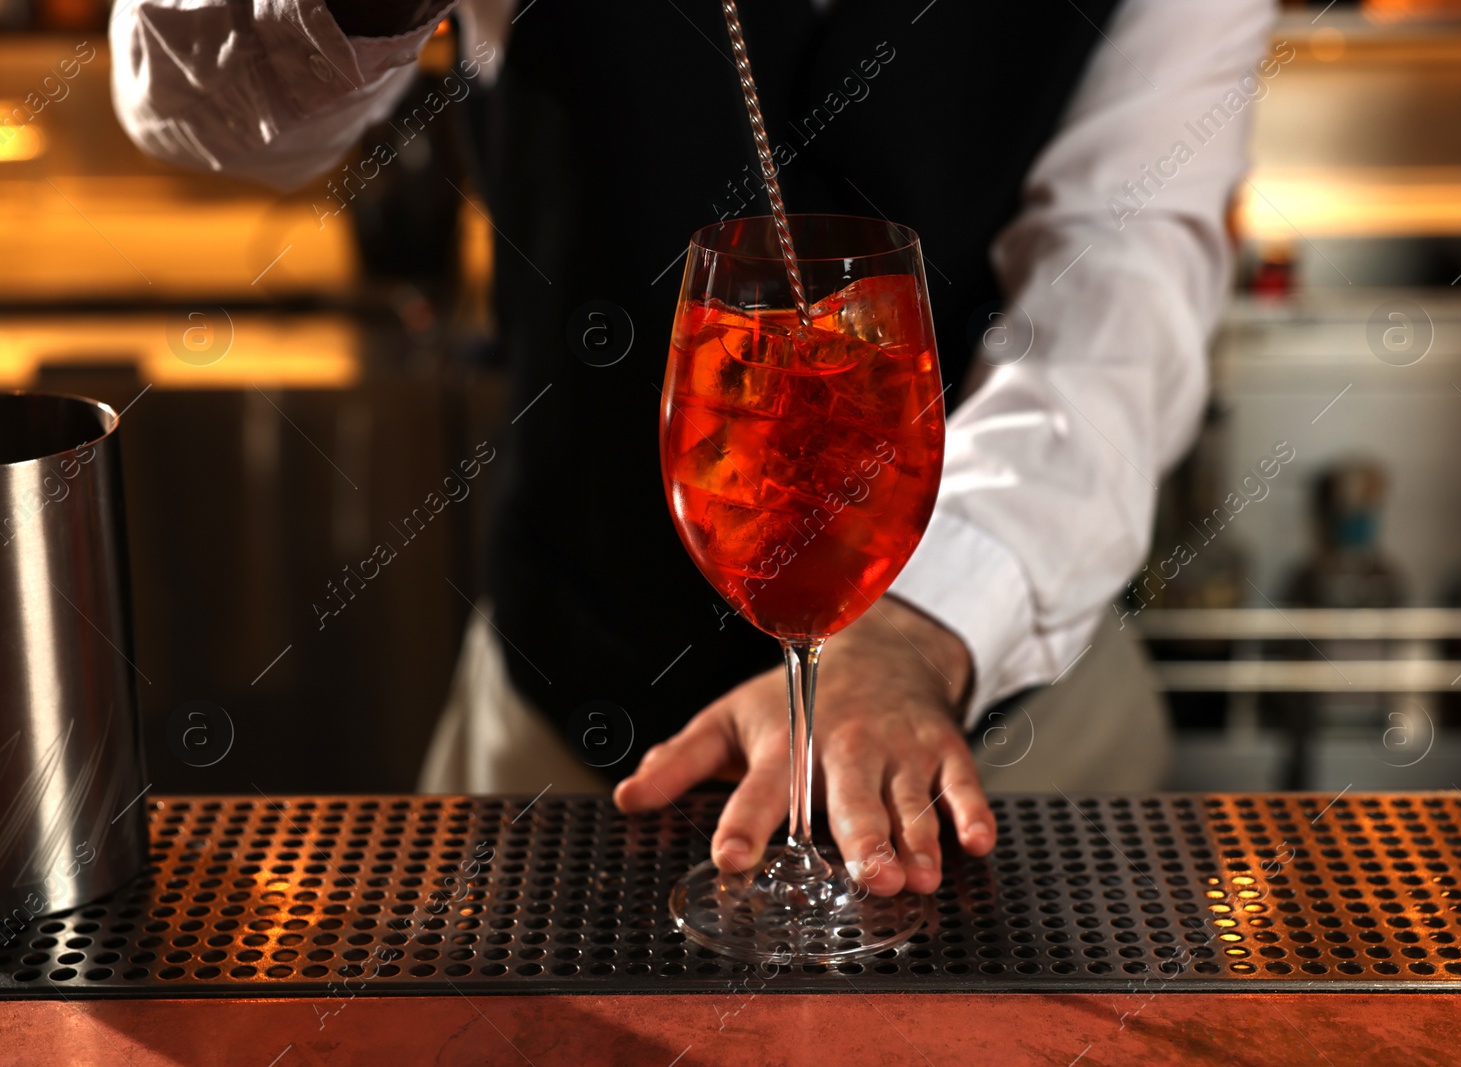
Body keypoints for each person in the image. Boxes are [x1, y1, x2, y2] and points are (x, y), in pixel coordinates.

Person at [112, 0, 1276, 896]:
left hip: (1019, 755)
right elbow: (185, 102)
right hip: (572, 738)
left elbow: (1125, 266)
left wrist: (931, 614)